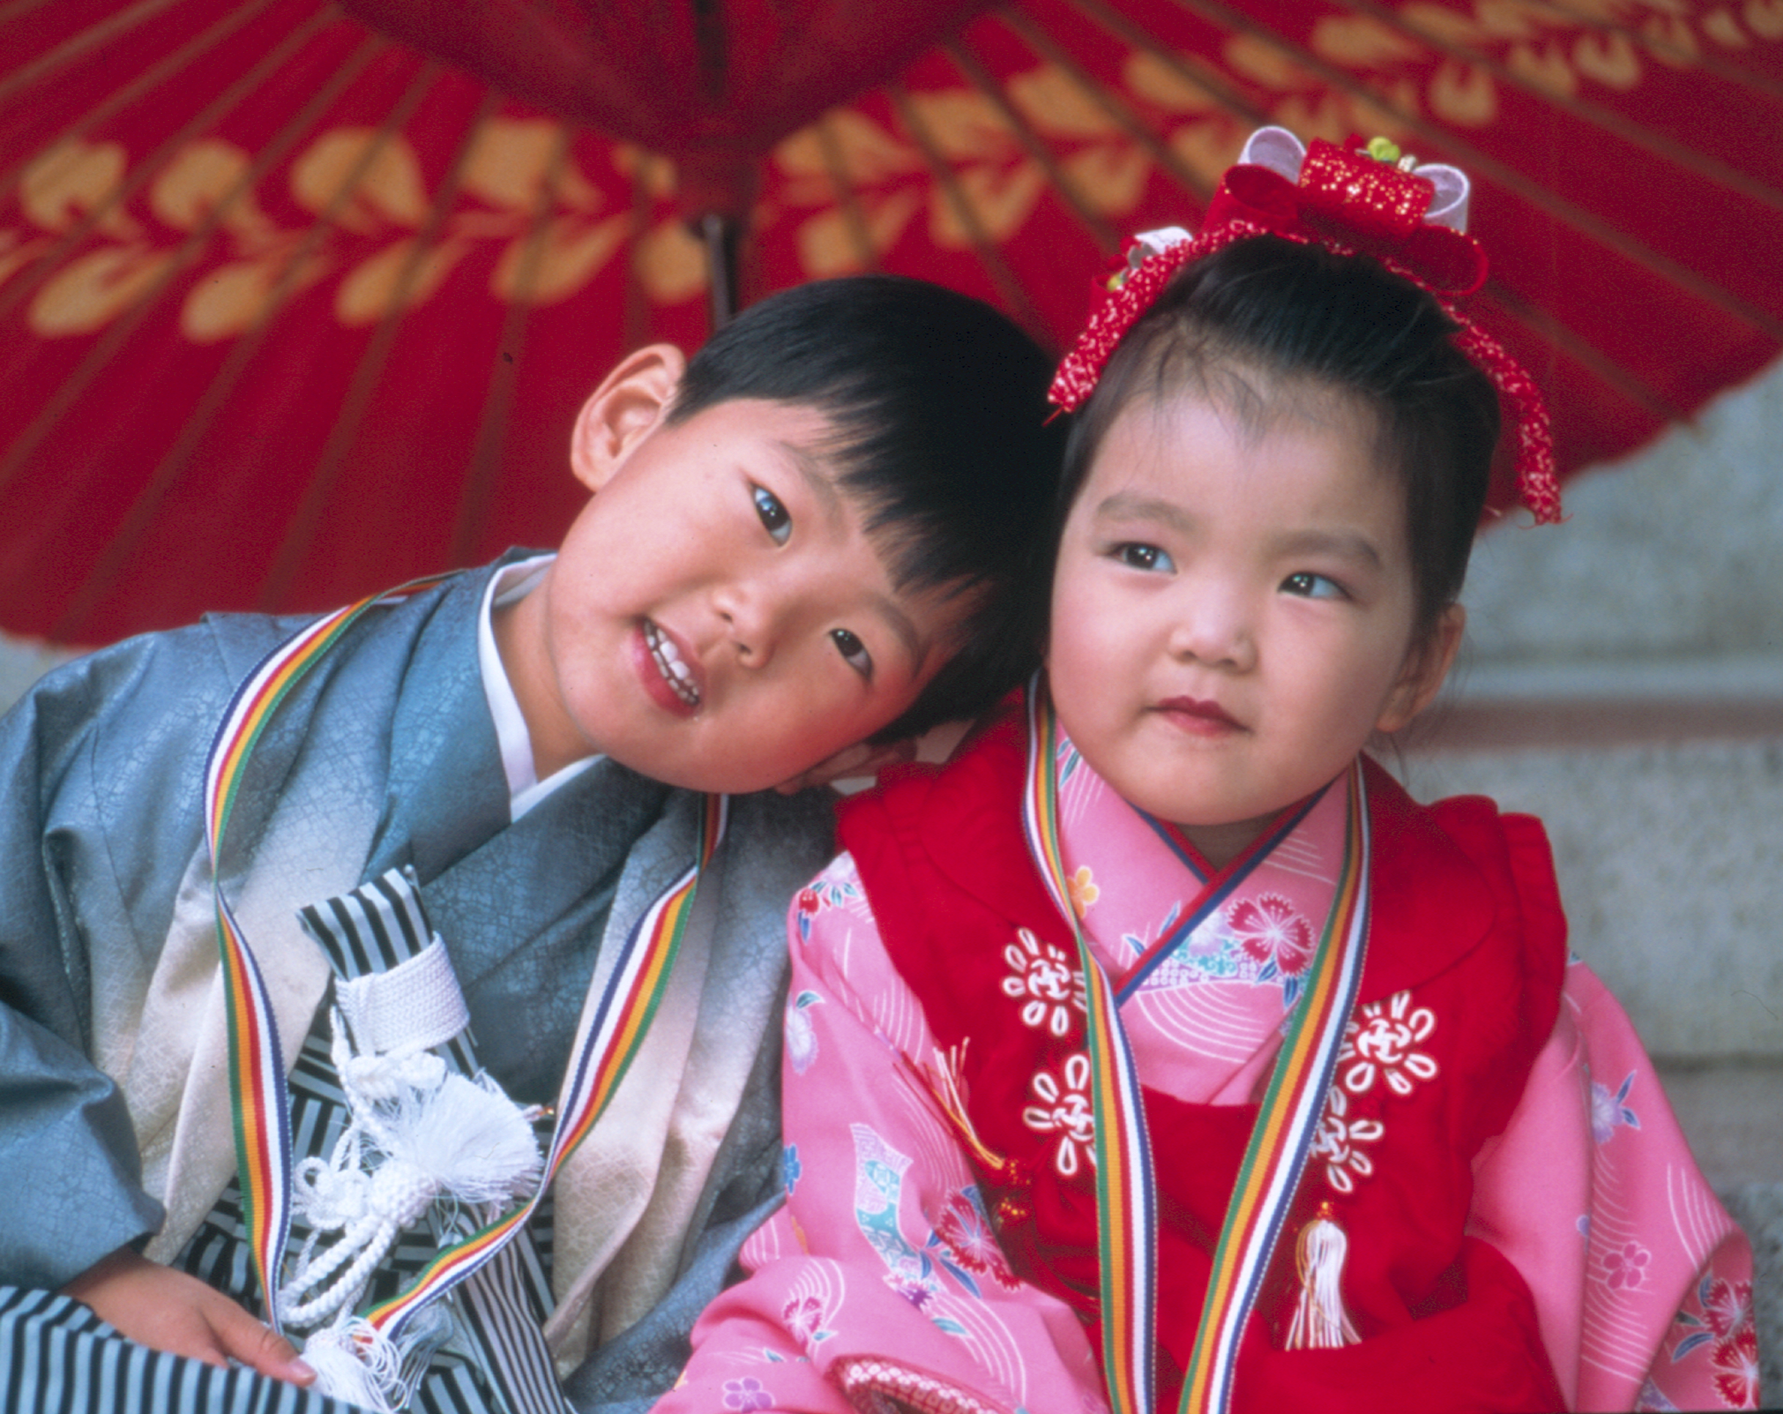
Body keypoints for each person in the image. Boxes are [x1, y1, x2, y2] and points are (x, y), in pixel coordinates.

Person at [659, 130, 1757, 1414]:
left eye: (1308, 581)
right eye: (1142, 554)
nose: (1211, 632)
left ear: (1416, 661)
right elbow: (885, 1252)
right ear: (1048, 572)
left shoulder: (1488, 965)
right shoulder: (893, 905)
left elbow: (1595, 1302)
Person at [0, 275, 1065, 1413]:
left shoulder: (805, 965)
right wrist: (95, 1261)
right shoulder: (191, 714)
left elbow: (731, 1322)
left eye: (852, 645)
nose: (755, 621)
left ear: (856, 751)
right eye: (771, 511)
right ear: (626, 422)